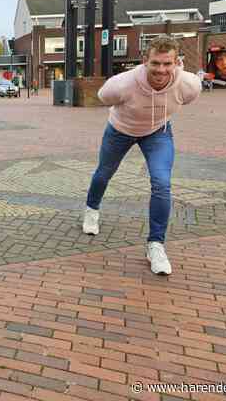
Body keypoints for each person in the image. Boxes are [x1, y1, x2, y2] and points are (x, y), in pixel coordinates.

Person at [82, 36, 201, 275]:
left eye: (167, 64)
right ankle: (91, 210)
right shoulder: (122, 84)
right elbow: (104, 97)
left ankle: (155, 245)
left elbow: (186, 100)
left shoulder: (189, 84)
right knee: (104, 173)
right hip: (120, 130)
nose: (161, 70)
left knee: (162, 183)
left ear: (177, 62)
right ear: (144, 60)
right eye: (155, 63)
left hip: (157, 132)